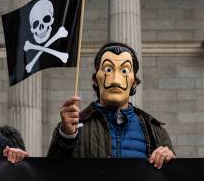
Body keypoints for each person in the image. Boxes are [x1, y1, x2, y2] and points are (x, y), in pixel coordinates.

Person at [47, 42, 175, 169]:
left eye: (124, 71)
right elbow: (51, 175)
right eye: (108, 69)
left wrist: (169, 159)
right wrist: (66, 137)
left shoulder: (155, 131)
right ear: (95, 80)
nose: (115, 80)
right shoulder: (71, 127)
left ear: (134, 82)